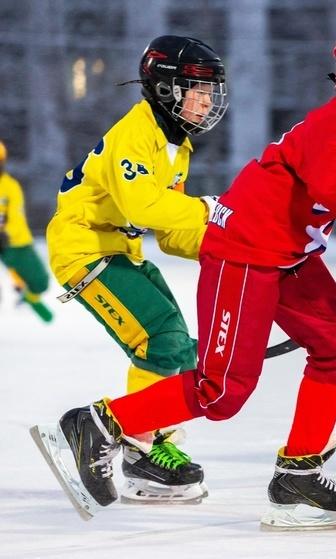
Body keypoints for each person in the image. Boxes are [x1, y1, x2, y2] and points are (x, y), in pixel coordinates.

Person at [32, 24, 336, 529]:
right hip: (248, 255)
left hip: (285, 259)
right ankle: (99, 425)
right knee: (220, 393)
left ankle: (298, 475)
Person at [43, 35, 229, 504]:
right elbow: (144, 205)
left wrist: (232, 247)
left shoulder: (176, 145)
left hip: (121, 250)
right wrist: (211, 210)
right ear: (167, 87)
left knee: (179, 347)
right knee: (159, 342)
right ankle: (131, 440)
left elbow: (171, 231)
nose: (208, 101)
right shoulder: (138, 131)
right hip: (85, 248)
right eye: (198, 89)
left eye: (210, 90)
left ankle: (148, 443)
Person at [0, 141, 53, 322]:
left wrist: (5, 235)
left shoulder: (10, 186)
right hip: (5, 246)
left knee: (41, 282)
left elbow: (16, 215)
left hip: (17, 243)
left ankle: (28, 298)